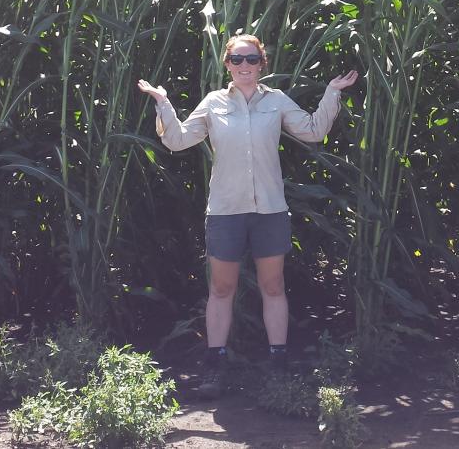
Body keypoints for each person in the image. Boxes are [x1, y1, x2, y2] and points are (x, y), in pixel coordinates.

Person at [137, 34, 357, 397]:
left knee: (273, 287)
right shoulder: (214, 103)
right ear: (227, 65)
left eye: (251, 60)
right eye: (236, 60)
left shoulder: (276, 101)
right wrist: (163, 103)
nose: (244, 67)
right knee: (221, 289)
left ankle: (278, 366)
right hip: (226, 211)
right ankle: (214, 366)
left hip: (270, 209)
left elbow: (314, 131)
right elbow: (177, 140)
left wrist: (332, 92)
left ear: (261, 63)